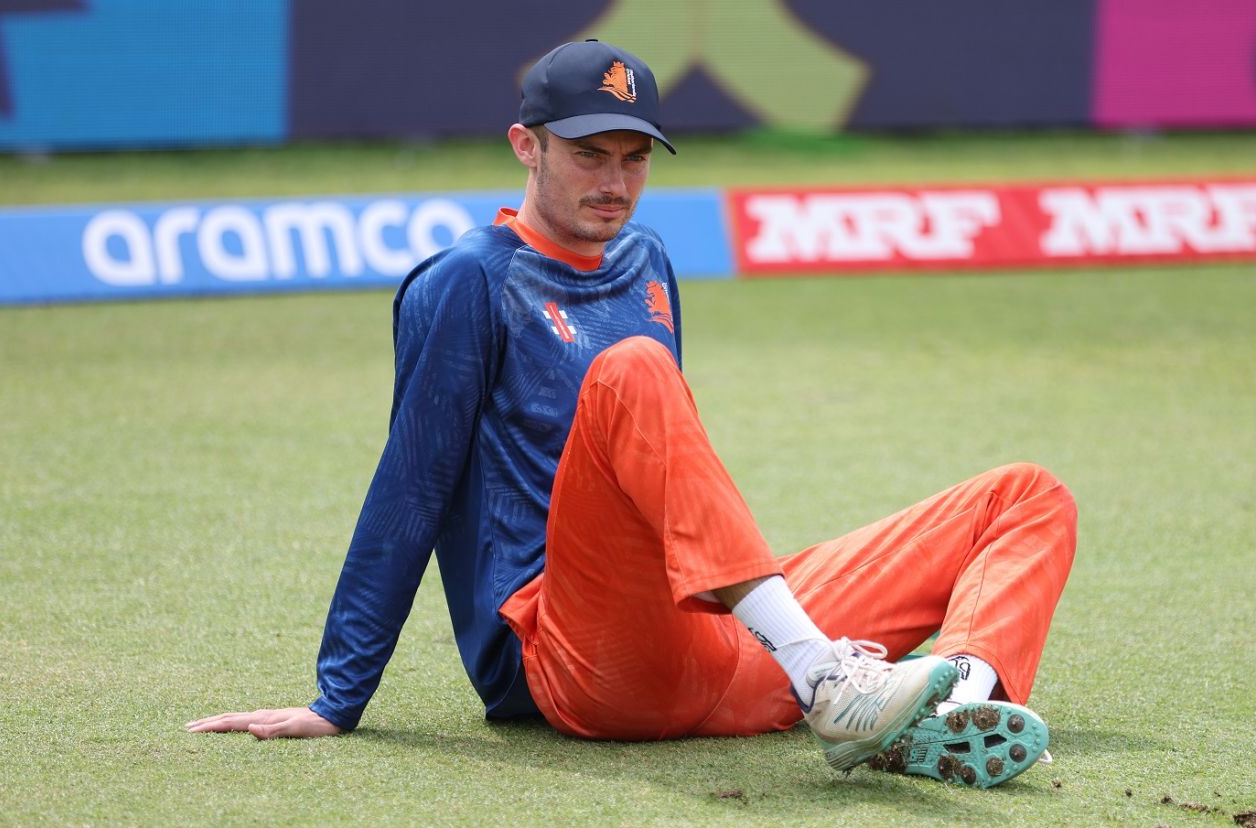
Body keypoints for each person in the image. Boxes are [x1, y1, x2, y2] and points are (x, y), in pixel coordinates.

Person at [187, 40, 1076, 788]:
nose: (615, 182)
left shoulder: (646, 256)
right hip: (575, 662)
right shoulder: (467, 280)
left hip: (717, 650)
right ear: (524, 147)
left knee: (1026, 497)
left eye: (635, 157)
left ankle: (949, 704)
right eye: (589, 154)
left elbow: (668, 474)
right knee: (634, 369)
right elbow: (411, 489)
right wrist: (336, 698)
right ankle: (827, 681)